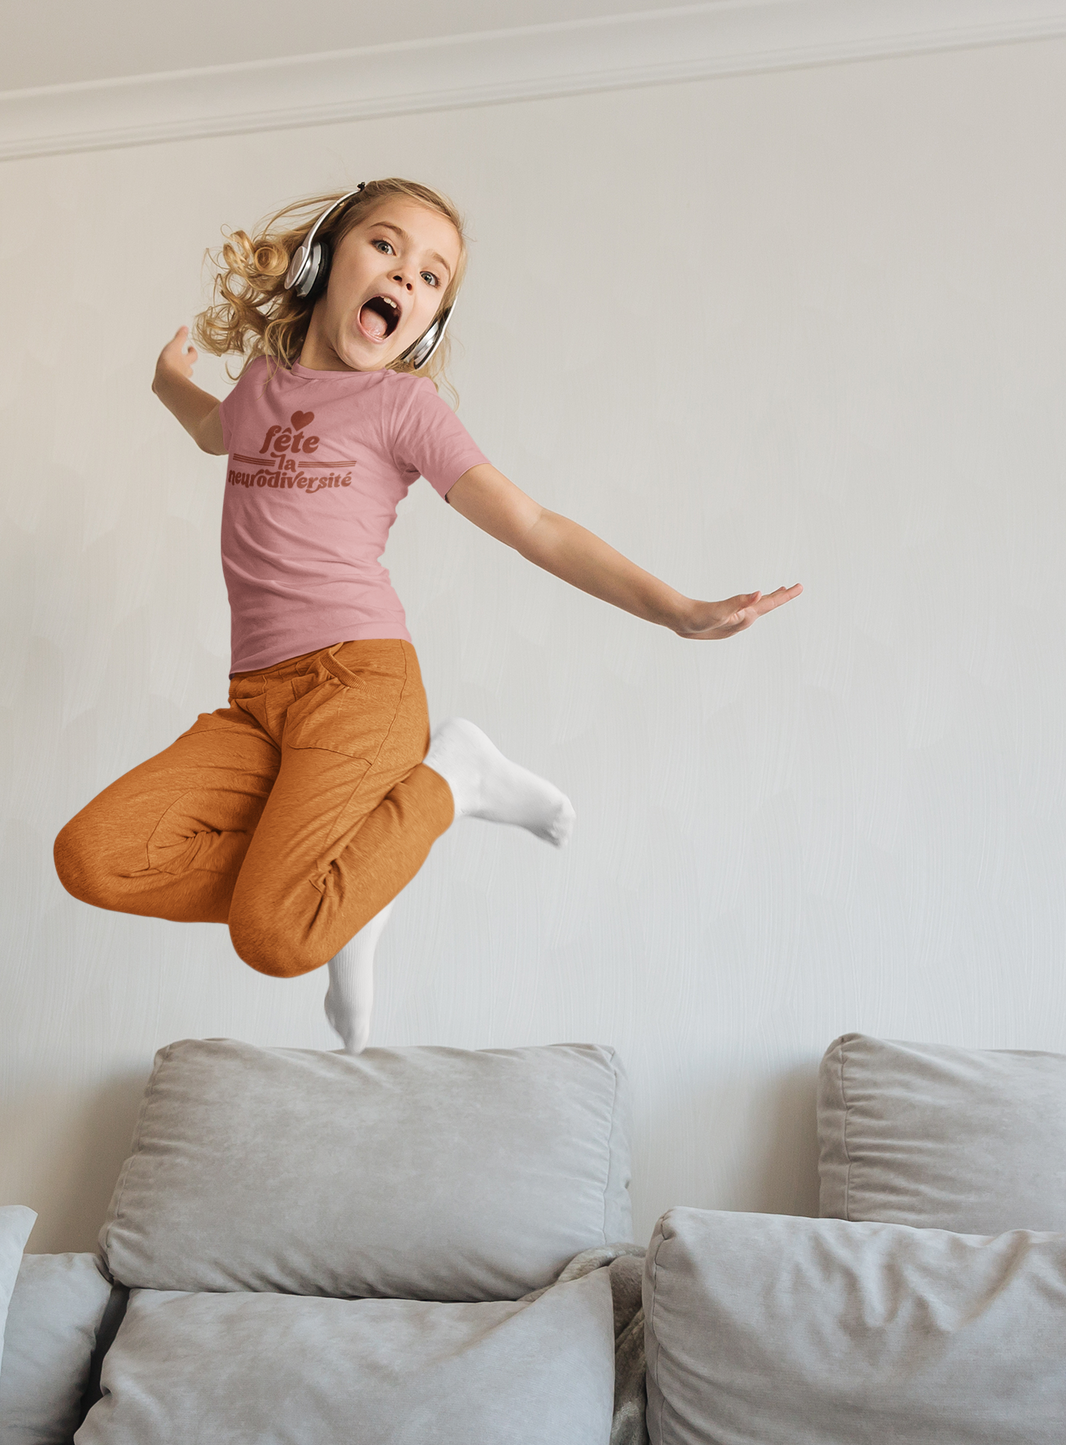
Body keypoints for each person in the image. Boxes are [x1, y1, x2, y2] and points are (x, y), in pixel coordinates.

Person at [54, 178, 801, 1052]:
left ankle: (456, 777)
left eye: (432, 277)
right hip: (256, 702)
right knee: (95, 857)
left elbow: (532, 525)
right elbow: (212, 429)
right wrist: (165, 382)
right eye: (386, 248)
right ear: (324, 257)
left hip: (356, 685)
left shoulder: (401, 407)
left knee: (277, 936)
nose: (407, 278)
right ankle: (351, 882)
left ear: (431, 319)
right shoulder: (261, 384)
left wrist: (676, 610)